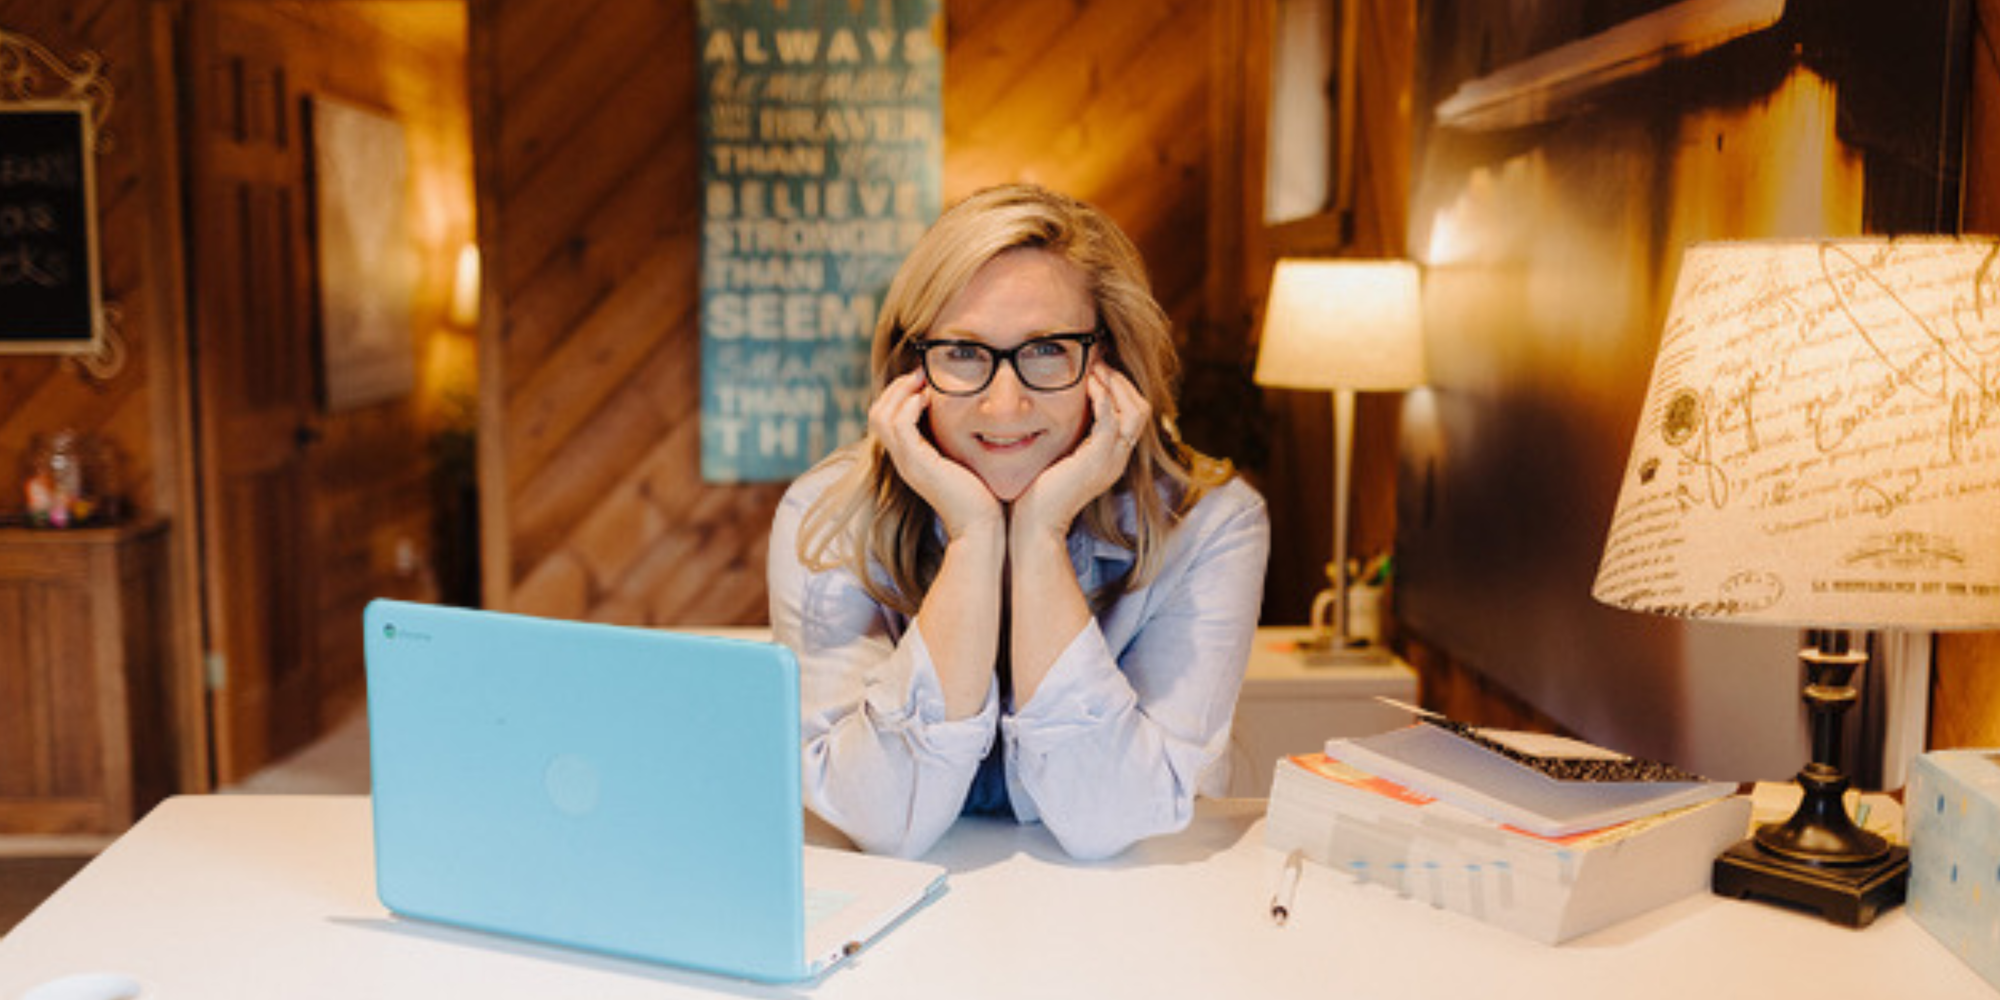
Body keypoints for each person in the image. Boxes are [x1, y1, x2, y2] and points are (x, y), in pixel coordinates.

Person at [767, 184, 1270, 860]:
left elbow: (1109, 821)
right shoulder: (828, 516)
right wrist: (975, 537)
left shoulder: (1210, 525)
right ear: (911, 369)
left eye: (1046, 350)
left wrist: (1040, 535)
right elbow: (883, 821)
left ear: (1109, 362)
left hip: (1130, 921)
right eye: (965, 353)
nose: (1005, 406)